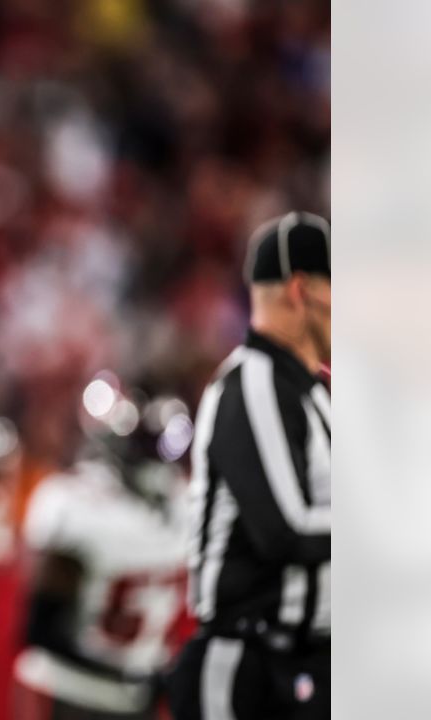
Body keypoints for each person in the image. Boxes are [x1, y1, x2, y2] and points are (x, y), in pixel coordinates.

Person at [167, 212, 331, 720]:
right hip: (249, 666)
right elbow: (287, 529)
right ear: (301, 289)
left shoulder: (318, 393)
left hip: (307, 662)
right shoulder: (253, 383)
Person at [14, 382, 191, 720]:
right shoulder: (184, 505)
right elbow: (41, 631)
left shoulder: (72, 501)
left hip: (125, 694)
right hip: (72, 691)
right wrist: (139, 676)